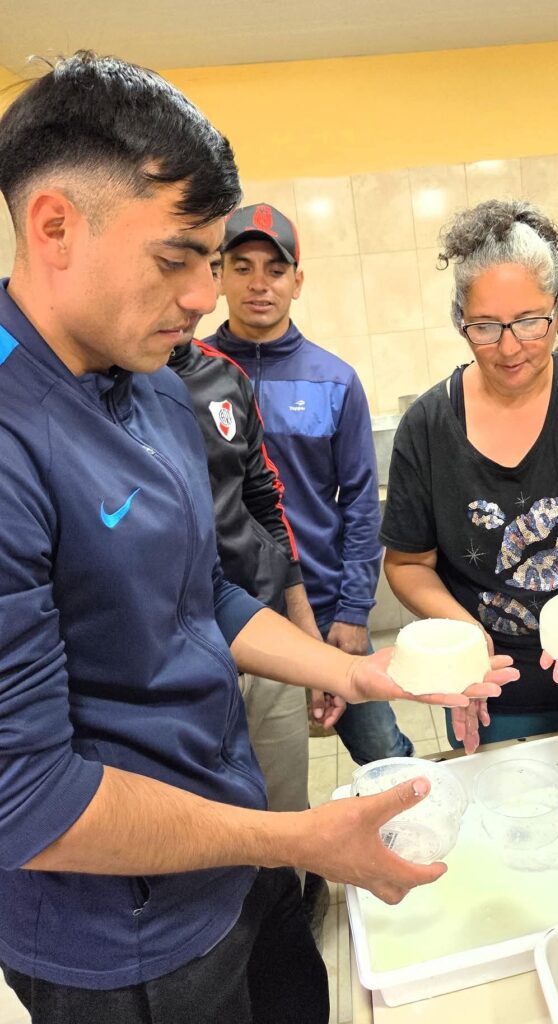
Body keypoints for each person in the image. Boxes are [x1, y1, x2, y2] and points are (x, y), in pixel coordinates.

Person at [0, 52, 516, 1024]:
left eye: (216, 259)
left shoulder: (153, 381)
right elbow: (28, 800)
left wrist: (363, 671)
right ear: (55, 226)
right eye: (179, 257)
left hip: (237, 855)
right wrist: (298, 838)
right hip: (124, 945)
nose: (206, 296)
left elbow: (203, 594)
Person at [381, 199, 558, 754]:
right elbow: (408, 565)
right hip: (495, 693)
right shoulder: (427, 428)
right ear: (460, 323)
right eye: (485, 327)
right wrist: (468, 639)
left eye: (530, 322)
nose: (510, 347)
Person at [211, 204, 414, 765]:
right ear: (218, 274)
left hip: (325, 611)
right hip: (227, 612)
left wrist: (353, 613)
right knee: (248, 771)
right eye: (243, 266)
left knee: (384, 753)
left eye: (275, 270)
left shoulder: (334, 381)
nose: (259, 284)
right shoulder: (188, 375)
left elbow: (361, 509)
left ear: (297, 282)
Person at [168, 259, 333, 942]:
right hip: (180, 657)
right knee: (206, 826)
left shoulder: (221, 378)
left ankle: (286, 927)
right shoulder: (92, 387)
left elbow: (266, 505)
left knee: (284, 804)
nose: (206, 294)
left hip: (262, 632)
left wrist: (308, 641)